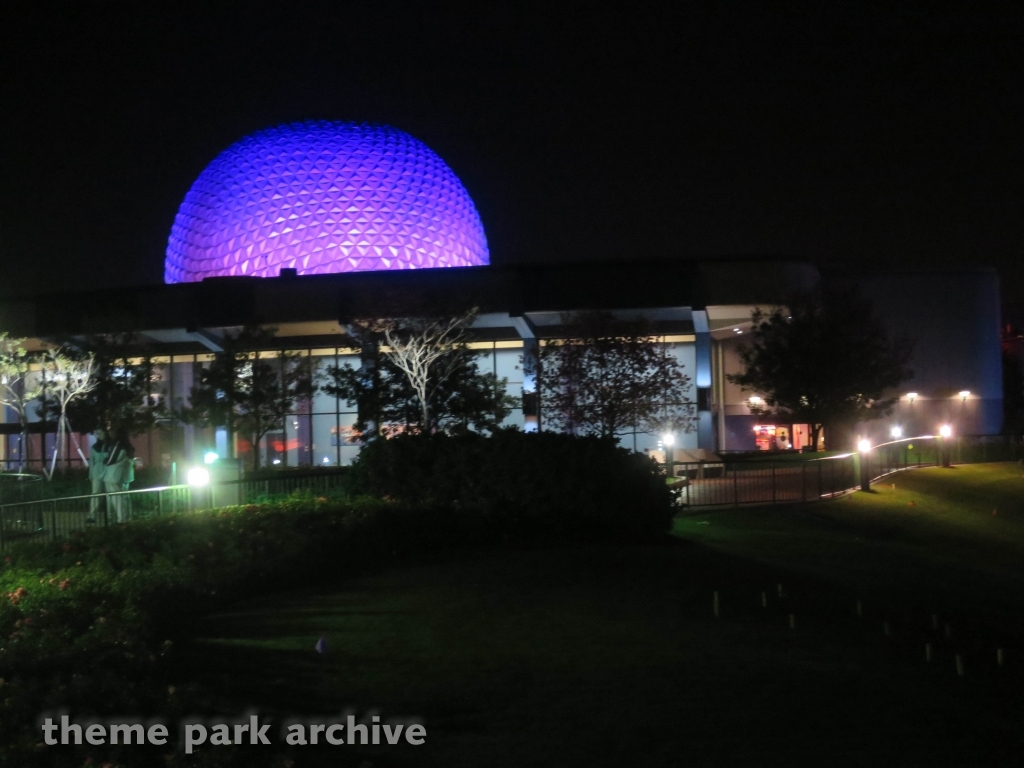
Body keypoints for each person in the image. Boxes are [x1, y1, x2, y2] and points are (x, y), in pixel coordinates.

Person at [103, 431, 135, 523]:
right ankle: (128, 518)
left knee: (117, 499)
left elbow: (109, 460)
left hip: (113, 476)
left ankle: (121, 520)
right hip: (125, 477)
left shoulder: (118, 445)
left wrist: (105, 459)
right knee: (124, 497)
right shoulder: (129, 447)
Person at [88, 428, 111, 522]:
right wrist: (91, 474)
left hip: (108, 471)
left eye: (100, 433)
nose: (98, 435)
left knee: (110, 494)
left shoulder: (111, 446)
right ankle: (92, 516)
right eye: (96, 433)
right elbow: (91, 462)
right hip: (97, 472)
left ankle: (110, 515)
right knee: (95, 494)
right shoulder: (94, 447)